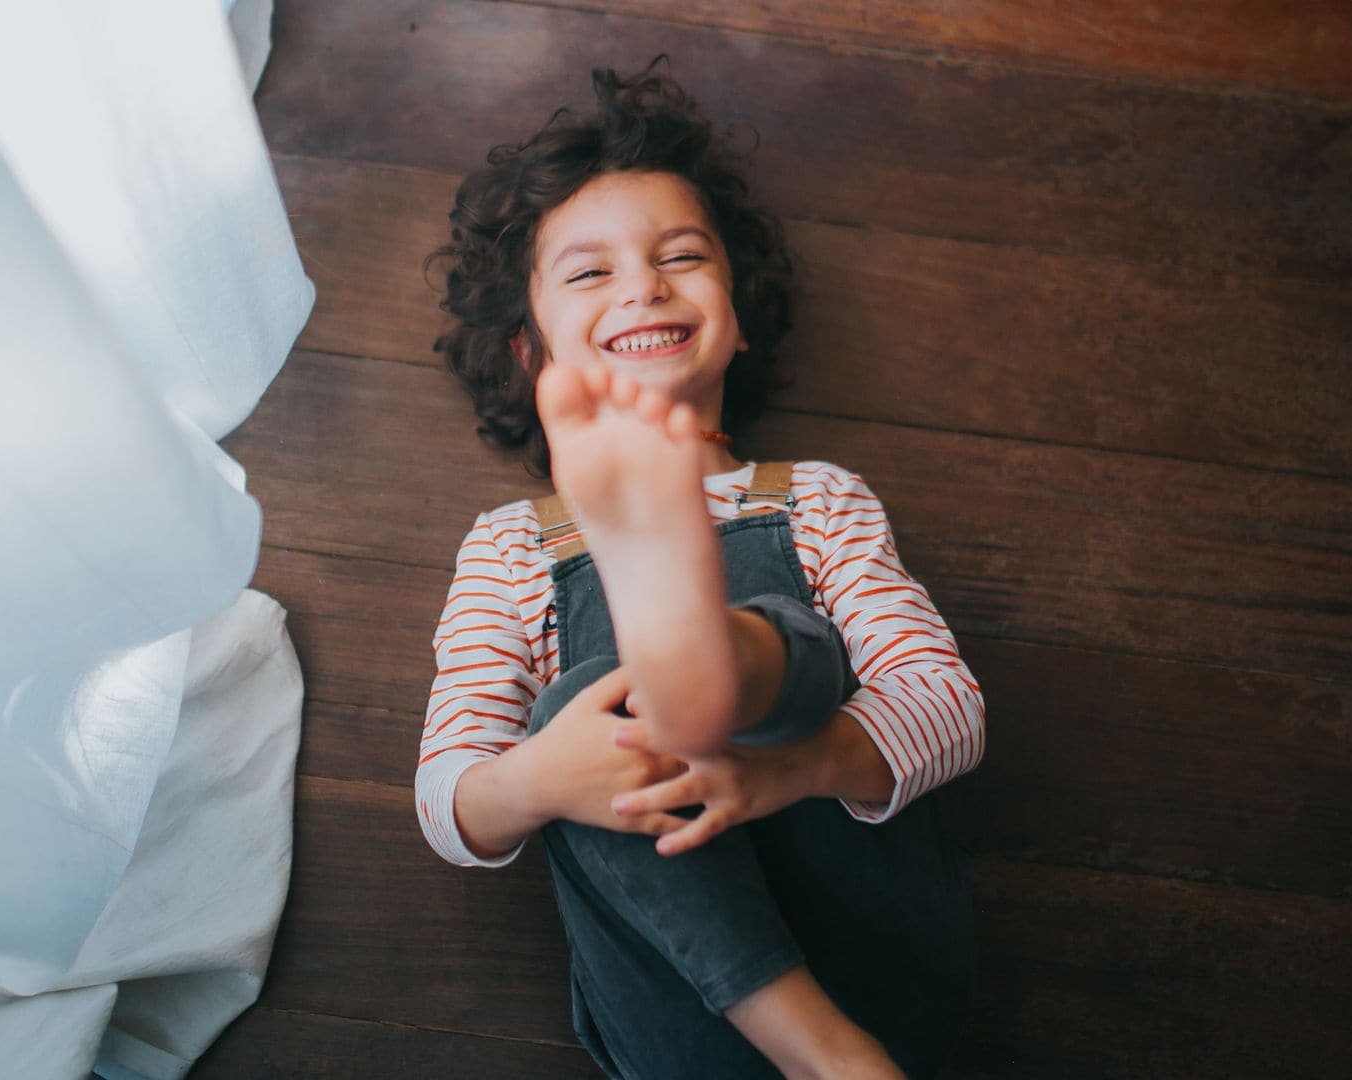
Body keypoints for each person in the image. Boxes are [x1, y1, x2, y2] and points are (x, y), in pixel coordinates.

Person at [415, 61, 986, 1079]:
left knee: (755, 655)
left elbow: (944, 705)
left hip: (868, 947)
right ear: (527, 354)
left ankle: (712, 658)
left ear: (740, 315)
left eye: (680, 256)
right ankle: (676, 664)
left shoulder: (812, 494)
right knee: (585, 715)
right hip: (684, 1008)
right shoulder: (511, 545)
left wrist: (785, 767)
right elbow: (451, 800)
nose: (642, 283)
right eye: (589, 273)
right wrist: (544, 779)